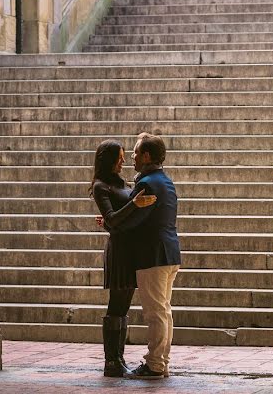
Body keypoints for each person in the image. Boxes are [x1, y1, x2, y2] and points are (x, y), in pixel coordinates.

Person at [113, 132, 182, 380]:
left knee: (155, 313)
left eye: (135, 152)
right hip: (169, 253)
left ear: (146, 155)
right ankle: (160, 362)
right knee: (164, 311)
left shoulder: (147, 184)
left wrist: (111, 222)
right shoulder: (165, 180)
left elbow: (132, 220)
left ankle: (154, 364)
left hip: (152, 255)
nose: (132, 157)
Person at [89, 139, 156, 377]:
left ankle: (118, 359)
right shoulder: (100, 186)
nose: (124, 161)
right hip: (119, 252)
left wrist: (108, 222)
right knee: (116, 305)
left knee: (123, 304)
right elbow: (115, 218)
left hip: (130, 249)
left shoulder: (122, 183)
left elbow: (114, 222)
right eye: (119, 157)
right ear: (109, 159)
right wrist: (134, 204)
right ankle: (112, 362)